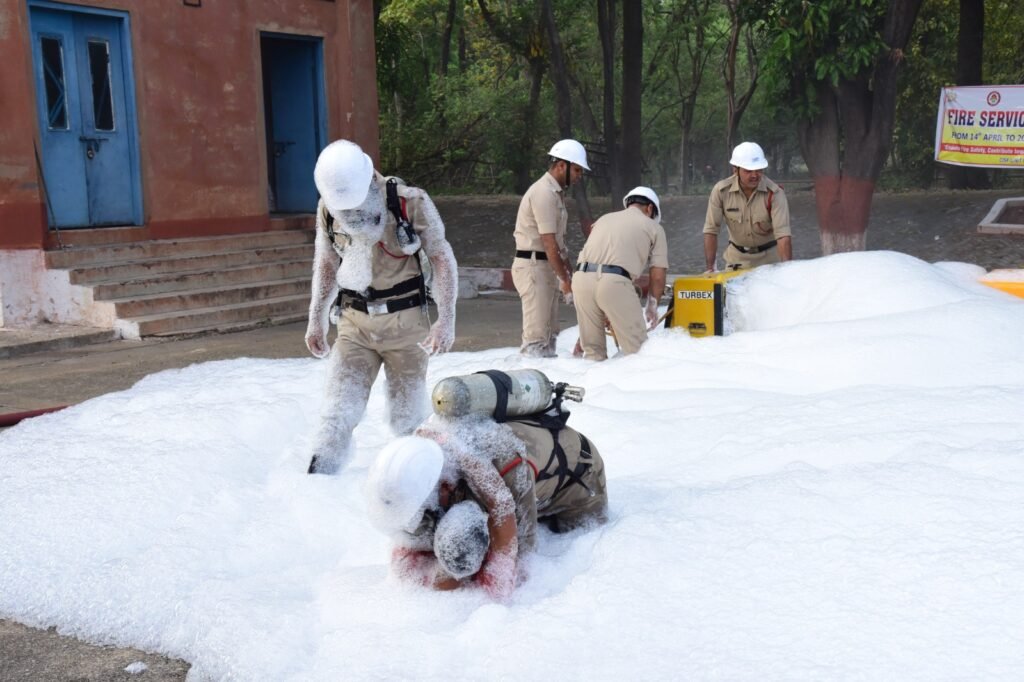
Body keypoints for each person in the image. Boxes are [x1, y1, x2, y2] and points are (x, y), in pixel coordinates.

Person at [304, 139, 458, 474]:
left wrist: (446, 319)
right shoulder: (328, 207)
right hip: (354, 324)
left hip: (405, 325)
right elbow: (327, 263)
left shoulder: (410, 202)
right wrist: (316, 319)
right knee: (338, 409)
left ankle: (415, 481)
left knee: (408, 417)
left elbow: (441, 258)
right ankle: (318, 481)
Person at [364, 399, 608, 600]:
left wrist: (453, 572)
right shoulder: (421, 455)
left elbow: (521, 561)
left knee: (577, 535)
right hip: (501, 477)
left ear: (446, 486)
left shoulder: (507, 468)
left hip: (579, 475)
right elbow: (405, 559)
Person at [512, 139, 591, 357]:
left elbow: (559, 245)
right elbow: (549, 243)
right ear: (561, 165)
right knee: (537, 339)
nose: (579, 176)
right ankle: (530, 384)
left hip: (545, 266)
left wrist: (569, 275)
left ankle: (547, 385)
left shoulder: (555, 193)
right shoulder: (544, 193)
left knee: (550, 335)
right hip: (534, 266)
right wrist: (565, 280)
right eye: (576, 169)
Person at [571, 186, 668, 361]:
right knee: (639, 352)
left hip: (580, 279)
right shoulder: (654, 227)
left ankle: (593, 386)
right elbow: (658, 275)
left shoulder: (603, 219)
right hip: (614, 282)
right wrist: (652, 307)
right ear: (650, 209)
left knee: (592, 353)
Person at [703, 141, 792, 271]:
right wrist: (710, 269)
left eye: (759, 170)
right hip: (736, 261)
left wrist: (788, 271)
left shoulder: (775, 193)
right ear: (735, 169)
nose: (755, 175)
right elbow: (711, 231)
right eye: (748, 171)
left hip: (771, 262)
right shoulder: (721, 191)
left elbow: (783, 236)